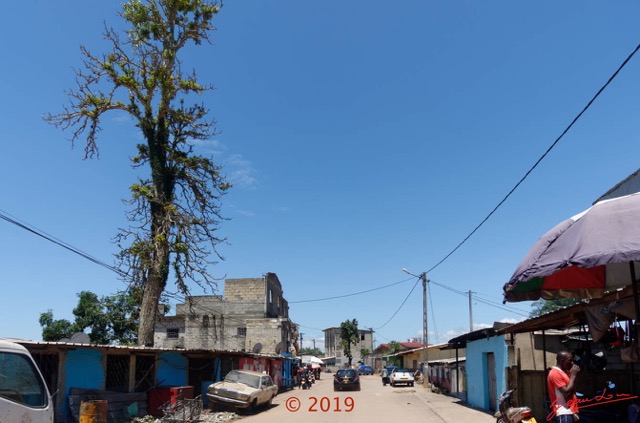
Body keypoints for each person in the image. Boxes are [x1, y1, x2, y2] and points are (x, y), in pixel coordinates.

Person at [547, 351, 580, 422]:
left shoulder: (562, 373)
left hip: (569, 411)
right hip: (563, 412)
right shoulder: (555, 373)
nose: (572, 363)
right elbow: (566, 393)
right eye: (570, 360)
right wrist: (573, 376)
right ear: (562, 361)